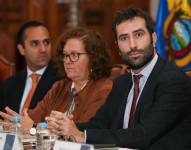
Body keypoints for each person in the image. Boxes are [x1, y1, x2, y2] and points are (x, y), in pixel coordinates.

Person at [45, 6, 191, 150]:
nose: (132, 45)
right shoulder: (122, 82)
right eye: (124, 38)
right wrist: (65, 127)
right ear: (117, 46)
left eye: (138, 34)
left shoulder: (174, 81)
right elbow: (99, 124)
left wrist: (82, 136)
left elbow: (143, 135)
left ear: (153, 38)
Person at [0, 27, 113, 133]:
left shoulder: (103, 89)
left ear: (93, 58)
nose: (67, 61)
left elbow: (82, 132)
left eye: (74, 55)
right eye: (65, 55)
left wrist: (33, 129)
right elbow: (31, 118)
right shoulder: (59, 86)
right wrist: (18, 121)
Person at [0, 20, 60, 114]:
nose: (43, 49)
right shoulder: (9, 85)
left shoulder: (62, 80)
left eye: (46, 42)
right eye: (35, 44)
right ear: (22, 49)